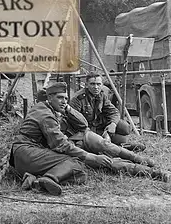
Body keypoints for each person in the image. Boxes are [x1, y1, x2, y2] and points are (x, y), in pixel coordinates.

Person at [11, 82, 169, 196]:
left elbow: (83, 124)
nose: (64, 101)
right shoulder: (46, 114)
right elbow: (60, 144)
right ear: (49, 98)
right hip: (29, 152)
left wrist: (67, 108)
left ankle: (35, 180)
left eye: (66, 98)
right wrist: (91, 157)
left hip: (37, 151)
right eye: (60, 98)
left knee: (81, 174)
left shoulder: (51, 108)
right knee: (77, 162)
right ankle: (45, 179)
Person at [70, 72, 130, 145]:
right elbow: (74, 121)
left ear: (102, 85)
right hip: (86, 130)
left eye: (98, 84)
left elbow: (114, 112)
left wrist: (113, 124)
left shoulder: (102, 95)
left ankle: (107, 140)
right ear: (86, 85)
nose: (96, 87)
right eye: (92, 84)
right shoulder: (78, 98)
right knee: (123, 140)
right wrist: (92, 134)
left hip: (100, 125)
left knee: (125, 128)